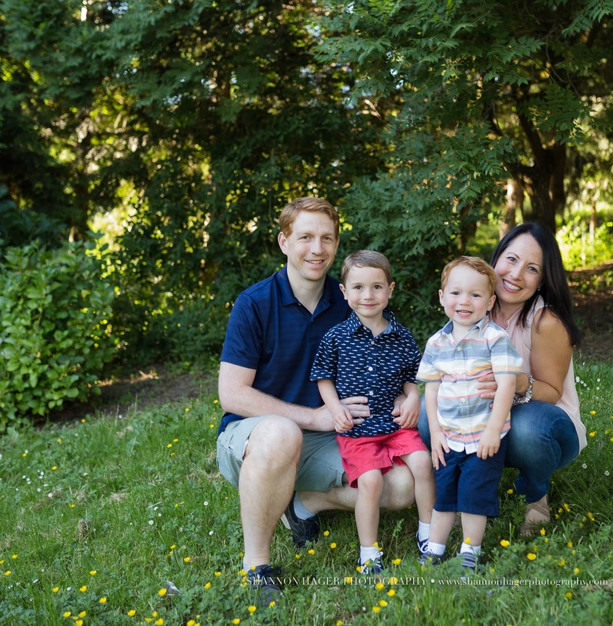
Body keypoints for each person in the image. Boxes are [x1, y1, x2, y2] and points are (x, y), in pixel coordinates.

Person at [216, 197, 414, 605]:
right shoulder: (254, 303)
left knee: (399, 488)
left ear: (337, 244)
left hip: (332, 436)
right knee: (281, 433)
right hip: (258, 436)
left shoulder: (351, 300)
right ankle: (257, 565)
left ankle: (302, 503)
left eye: (327, 238)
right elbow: (231, 393)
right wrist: (313, 416)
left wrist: (409, 395)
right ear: (284, 242)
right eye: (305, 237)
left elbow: (393, 357)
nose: (317, 248)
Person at [418, 223, 586, 536]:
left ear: (542, 280)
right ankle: (459, 488)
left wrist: (515, 382)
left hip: (546, 421)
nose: (516, 274)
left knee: (526, 430)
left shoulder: (545, 320)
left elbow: (552, 391)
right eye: (511, 259)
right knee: (430, 416)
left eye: (532, 268)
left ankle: (536, 497)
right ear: (496, 259)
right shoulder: (474, 304)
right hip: (483, 414)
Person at [311, 250, 435, 575]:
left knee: (423, 461)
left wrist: (412, 398)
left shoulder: (402, 337)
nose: (368, 295)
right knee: (369, 482)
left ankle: (428, 537)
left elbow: (412, 378)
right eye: (359, 287)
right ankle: (369, 552)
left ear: (390, 289)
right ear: (344, 291)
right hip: (358, 428)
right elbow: (323, 377)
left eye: (377, 287)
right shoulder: (335, 338)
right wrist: (335, 407)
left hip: (395, 424)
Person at [416, 256, 522, 572]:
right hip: (448, 436)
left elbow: (506, 386)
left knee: (474, 497)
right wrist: (435, 433)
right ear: (442, 297)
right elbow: (431, 391)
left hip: (483, 437)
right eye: (456, 293)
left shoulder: (495, 339)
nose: (465, 301)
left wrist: (492, 430)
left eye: (475, 295)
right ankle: (434, 550)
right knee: (444, 494)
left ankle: (469, 552)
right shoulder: (436, 342)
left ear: (490, 302)